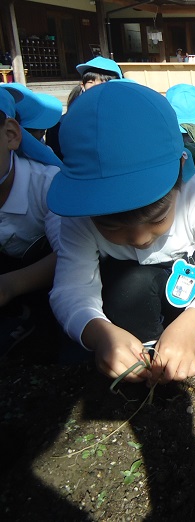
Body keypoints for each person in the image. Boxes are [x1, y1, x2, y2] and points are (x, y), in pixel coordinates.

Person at [47, 81, 195, 383]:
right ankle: (146, 347)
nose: (140, 239)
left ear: (181, 173)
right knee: (129, 287)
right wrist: (99, 332)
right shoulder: (79, 217)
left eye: (157, 217)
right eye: (111, 226)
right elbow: (71, 289)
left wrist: (192, 324)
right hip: (138, 284)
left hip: (193, 272)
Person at [0, 87, 61, 355]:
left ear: (11, 134)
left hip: (49, 293)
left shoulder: (47, 185)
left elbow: (73, 252)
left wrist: (9, 286)